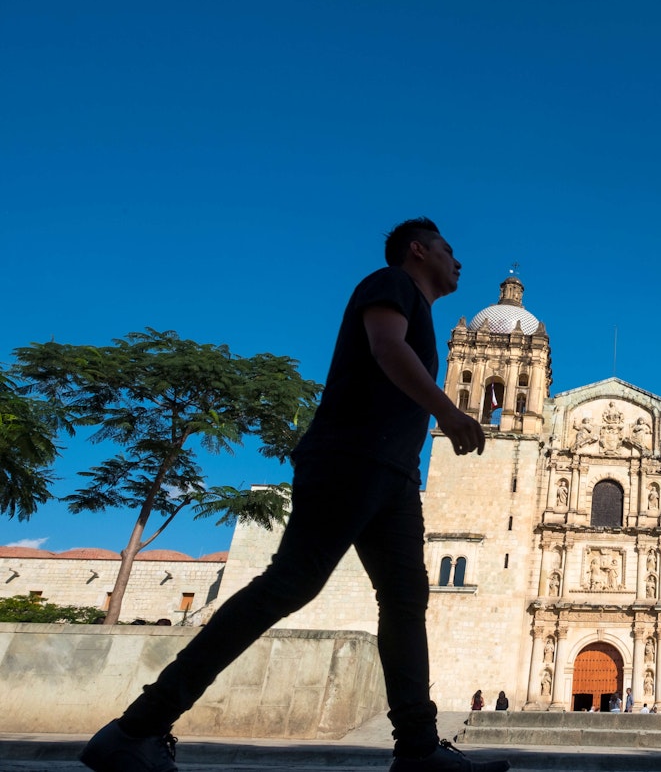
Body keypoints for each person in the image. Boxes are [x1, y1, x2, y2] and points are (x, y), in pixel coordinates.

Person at [79, 218, 507, 772]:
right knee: (289, 585)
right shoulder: (390, 283)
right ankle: (137, 727)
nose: (460, 261)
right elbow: (383, 347)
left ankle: (420, 751)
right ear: (418, 250)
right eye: (449, 250)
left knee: (405, 603)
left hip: (394, 474)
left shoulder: (423, 312)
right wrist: (449, 411)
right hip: (350, 458)